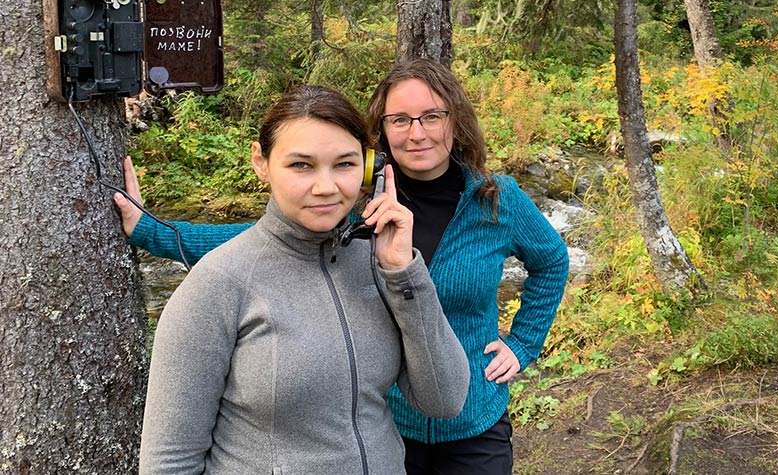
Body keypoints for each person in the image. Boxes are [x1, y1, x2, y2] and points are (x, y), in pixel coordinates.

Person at [119, 60, 570, 475]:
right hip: (387, 420)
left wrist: (523, 344)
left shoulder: (496, 198)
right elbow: (258, 245)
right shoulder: (353, 209)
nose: (417, 133)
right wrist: (150, 230)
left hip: (473, 413)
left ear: (456, 121)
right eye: (400, 120)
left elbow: (551, 261)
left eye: (432, 116)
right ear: (381, 135)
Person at [136, 84, 469, 475]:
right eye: (301, 165)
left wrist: (404, 274)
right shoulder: (218, 284)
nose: (326, 186)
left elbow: (445, 400)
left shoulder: (378, 263)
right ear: (261, 162)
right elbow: (168, 462)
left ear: (369, 168)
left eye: (344, 164)